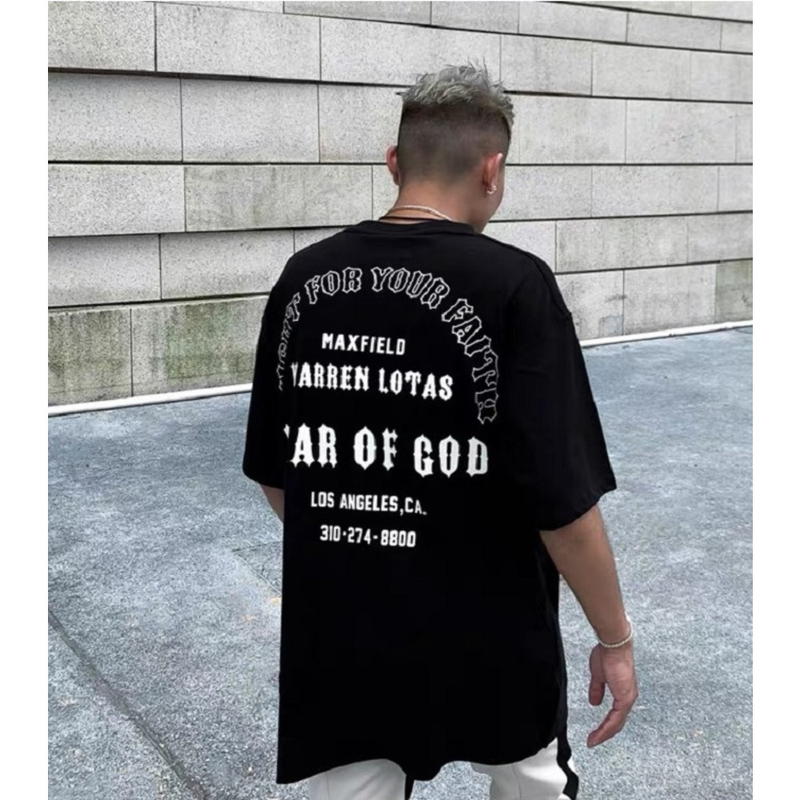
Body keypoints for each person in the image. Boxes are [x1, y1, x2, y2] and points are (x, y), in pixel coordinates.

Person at [242, 61, 638, 800]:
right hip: (495, 635)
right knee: (530, 781)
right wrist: (614, 639)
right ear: (492, 170)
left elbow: (275, 471)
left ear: (395, 162)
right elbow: (563, 504)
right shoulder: (516, 286)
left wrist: (364, 543)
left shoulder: (303, 280)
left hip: (347, 634)